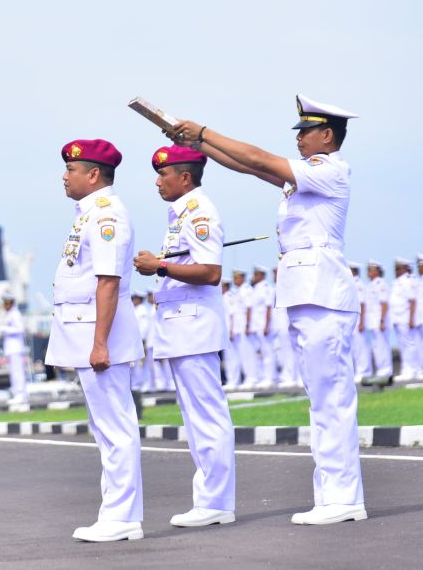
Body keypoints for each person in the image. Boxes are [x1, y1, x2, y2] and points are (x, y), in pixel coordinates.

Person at [171, 93, 366, 525]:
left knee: (332, 397)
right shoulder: (307, 177)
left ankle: (343, 497)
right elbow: (249, 165)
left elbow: (260, 156)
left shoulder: (330, 170)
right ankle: (334, 496)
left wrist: (203, 131)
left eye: (307, 132)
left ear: (327, 135)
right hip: (304, 291)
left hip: (322, 291)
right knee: (321, 398)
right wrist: (198, 147)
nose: (299, 140)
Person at [46, 139, 144, 542]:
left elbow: (108, 282)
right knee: (104, 427)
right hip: (85, 330)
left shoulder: (107, 215)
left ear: (92, 175)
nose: (64, 176)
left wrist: (100, 342)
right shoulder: (87, 214)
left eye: (71, 170)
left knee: (115, 426)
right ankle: (115, 513)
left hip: (96, 332)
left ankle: (122, 517)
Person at [133, 145, 235, 528]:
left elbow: (210, 272)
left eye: (164, 174)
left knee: (207, 416)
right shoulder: (182, 213)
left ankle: (217, 502)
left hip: (194, 325)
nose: (158, 181)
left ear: (185, 177)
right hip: (180, 324)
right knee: (195, 419)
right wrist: (161, 264)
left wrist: (159, 265)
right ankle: (209, 500)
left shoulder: (200, 211)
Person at [390, 259, 420, 380]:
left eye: (397, 269)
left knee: (409, 345)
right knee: (402, 345)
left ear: (404, 269)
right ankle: (406, 369)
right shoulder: (397, 282)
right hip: (397, 318)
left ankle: (412, 369)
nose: (395, 271)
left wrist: (411, 319)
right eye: (395, 269)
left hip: (405, 317)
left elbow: (412, 301)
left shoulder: (408, 282)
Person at [363, 261, 392, 377]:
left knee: (382, 346)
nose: (368, 273)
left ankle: (386, 370)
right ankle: (381, 369)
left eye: (370, 270)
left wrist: (382, 320)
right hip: (372, 321)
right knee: (376, 347)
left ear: (377, 271)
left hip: (380, 321)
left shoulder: (381, 285)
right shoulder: (370, 285)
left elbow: (384, 304)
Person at [2, 295, 29, 404]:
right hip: (11, 347)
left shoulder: (15, 314)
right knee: (14, 372)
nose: (4, 306)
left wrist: (5, 329)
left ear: (10, 303)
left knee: (18, 372)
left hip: (16, 347)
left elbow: (20, 329)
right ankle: (17, 393)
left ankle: (20, 394)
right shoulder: (10, 314)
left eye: (6, 303)